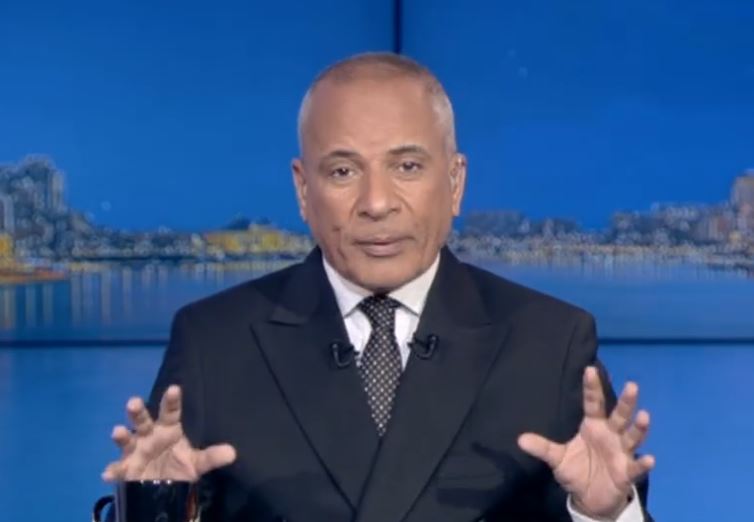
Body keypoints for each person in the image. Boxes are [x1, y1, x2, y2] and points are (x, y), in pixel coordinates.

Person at [102, 52, 654, 521]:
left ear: (455, 182)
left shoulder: (550, 343)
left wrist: (602, 514)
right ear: (303, 191)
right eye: (343, 172)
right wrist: (156, 507)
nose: (377, 203)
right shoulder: (214, 342)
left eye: (407, 166)